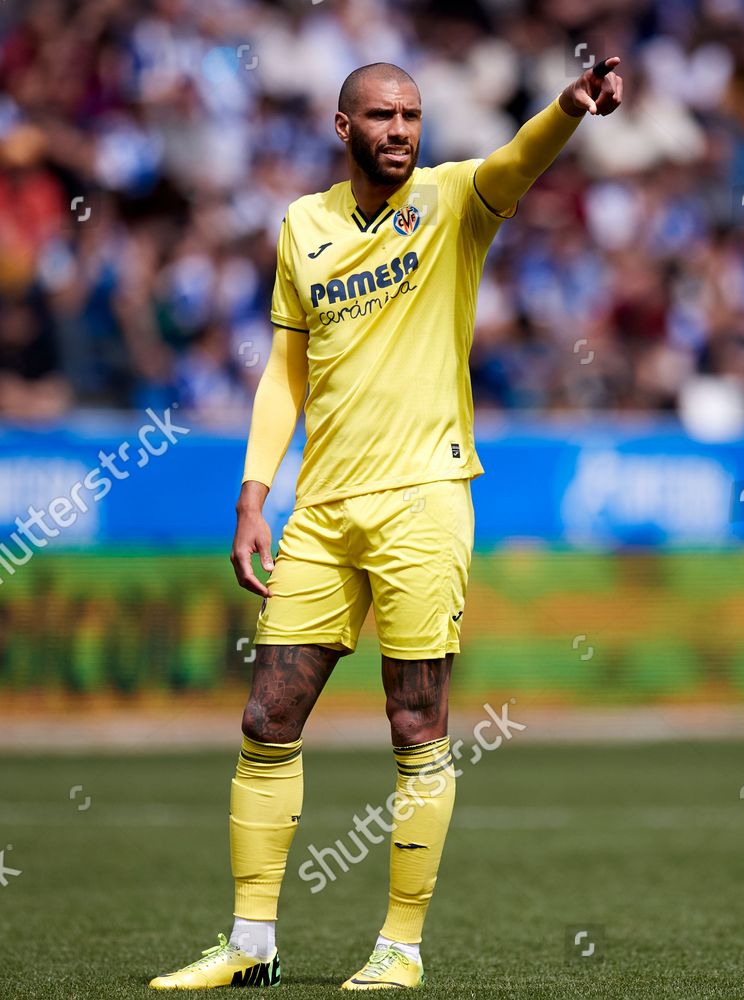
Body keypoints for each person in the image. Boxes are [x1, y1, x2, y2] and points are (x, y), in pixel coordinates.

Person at [148, 56, 625, 991]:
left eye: (412, 114)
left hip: (423, 501)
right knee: (267, 715)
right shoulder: (303, 225)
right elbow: (287, 371)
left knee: (416, 723)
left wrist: (567, 109)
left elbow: (517, 163)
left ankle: (400, 949)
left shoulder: (455, 204)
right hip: (321, 511)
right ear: (343, 127)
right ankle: (250, 946)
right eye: (382, 115)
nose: (402, 129)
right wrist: (254, 495)